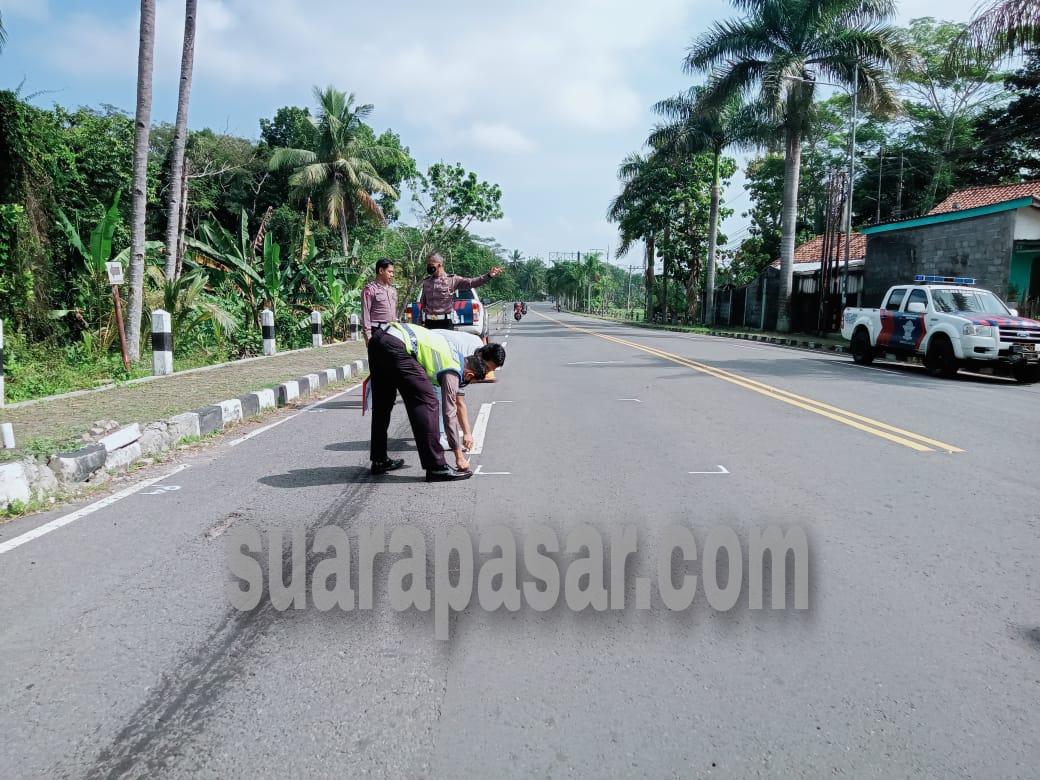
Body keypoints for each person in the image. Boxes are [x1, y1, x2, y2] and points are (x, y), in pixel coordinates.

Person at [367, 322, 493, 481]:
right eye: (468, 383)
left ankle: (379, 459)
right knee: (428, 403)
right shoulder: (452, 369)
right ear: (468, 375)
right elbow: (449, 414)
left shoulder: (453, 354)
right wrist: (459, 456)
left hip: (380, 338)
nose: (462, 386)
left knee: (383, 403)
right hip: (396, 345)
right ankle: (436, 467)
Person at [429, 330, 507, 462]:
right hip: (427, 347)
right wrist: (467, 434)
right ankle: (440, 437)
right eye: (487, 368)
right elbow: (458, 402)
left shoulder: (478, 347)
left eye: (490, 371)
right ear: (481, 355)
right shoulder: (465, 359)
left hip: (432, 341)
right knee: (440, 394)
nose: (485, 373)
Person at [419, 252, 503, 330]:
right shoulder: (427, 282)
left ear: (439, 265)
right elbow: (423, 304)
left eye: (431, 264)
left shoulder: (452, 280)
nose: (429, 267)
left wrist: (489, 276)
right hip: (429, 323)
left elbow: (472, 282)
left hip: (445, 323)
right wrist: (420, 322)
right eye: (428, 264)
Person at [361, 258, 398, 346]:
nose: (392, 275)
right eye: (389, 272)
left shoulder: (392, 290)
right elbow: (365, 314)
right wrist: (368, 337)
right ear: (381, 270)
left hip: (392, 332)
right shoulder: (369, 290)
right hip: (378, 332)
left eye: (393, 272)